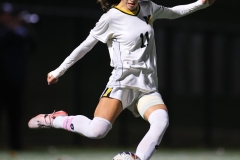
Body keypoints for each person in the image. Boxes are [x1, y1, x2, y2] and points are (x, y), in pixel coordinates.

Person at [28, 0, 215, 159]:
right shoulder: (111, 18)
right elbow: (85, 46)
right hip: (122, 83)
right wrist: (59, 70)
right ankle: (57, 119)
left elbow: (173, 12)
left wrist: (201, 3)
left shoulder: (147, 7)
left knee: (161, 120)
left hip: (147, 86)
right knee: (97, 131)